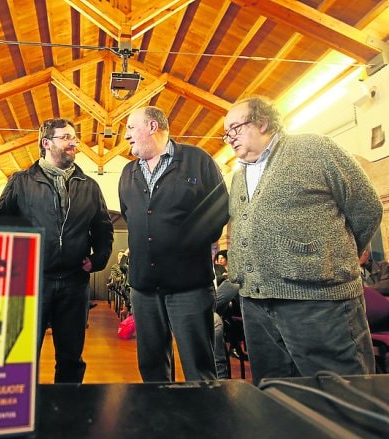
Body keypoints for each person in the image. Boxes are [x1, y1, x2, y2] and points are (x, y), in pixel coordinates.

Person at [224, 96, 383, 385]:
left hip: (317, 301)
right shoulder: (239, 176)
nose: (229, 138)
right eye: (226, 133)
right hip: (257, 304)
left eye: (235, 128)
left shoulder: (314, 148)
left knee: (343, 393)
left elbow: (367, 209)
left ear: (262, 122)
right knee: (276, 394)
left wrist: (331, 259)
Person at [0, 118, 113, 383]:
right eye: (67, 137)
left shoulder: (89, 186)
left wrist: (98, 259)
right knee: (22, 356)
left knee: (71, 357)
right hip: (31, 283)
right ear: (46, 143)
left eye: (74, 138)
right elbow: (1, 226)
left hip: (74, 282)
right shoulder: (20, 182)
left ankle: (67, 413)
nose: (74, 143)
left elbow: (103, 229)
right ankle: (22, 413)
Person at [119, 106, 229, 382]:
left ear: (153, 127)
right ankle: (157, 421)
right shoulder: (128, 172)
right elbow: (129, 215)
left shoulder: (197, 160)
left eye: (131, 128)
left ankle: (204, 421)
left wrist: (184, 248)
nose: (127, 136)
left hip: (189, 286)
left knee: (198, 365)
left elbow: (218, 212)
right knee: (152, 365)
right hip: (144, 289)